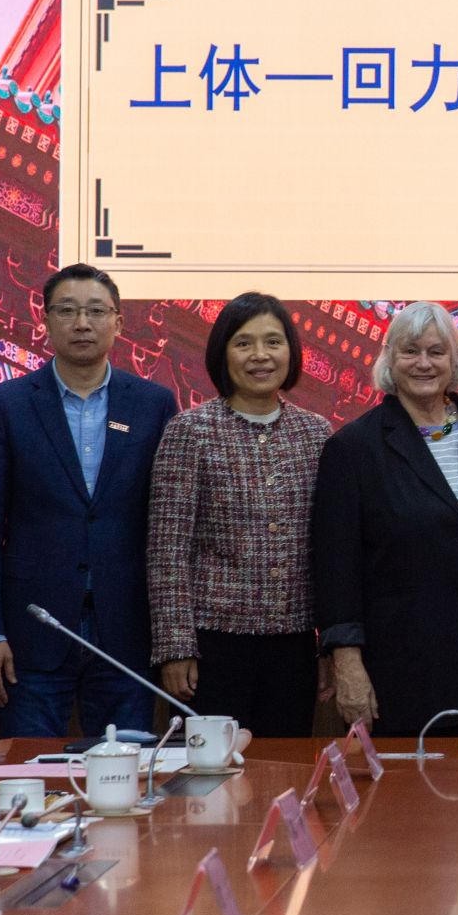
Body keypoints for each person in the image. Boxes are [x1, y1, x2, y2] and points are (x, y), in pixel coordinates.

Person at [0, 264, 178, 739]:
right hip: (31, 630)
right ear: (45, 320)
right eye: (67, 311)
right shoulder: (7, 404)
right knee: (28, 769)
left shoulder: (153, 404)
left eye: (96, 311)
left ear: (118, 322)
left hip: (127, 628)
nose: (82, 323)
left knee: (123, 769)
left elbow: (169, 524)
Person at [311, 301, 458, 739]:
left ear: (455, 360)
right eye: (410, 351)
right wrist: (347, 662)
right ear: (390, 359)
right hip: (397, 675)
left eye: (436, 351)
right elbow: (336, 571)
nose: (424, 363)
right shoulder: (353, 448)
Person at [146, 293, 330, 736]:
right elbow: (167, 549)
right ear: (222, 354)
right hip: (212, 648)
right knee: (209, 772)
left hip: (295, 645)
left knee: (284, 764)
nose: (260, 355)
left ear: (291, 352)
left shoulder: (317, 434)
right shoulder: (190, 431)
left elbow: (330, 549)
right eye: (244, 343)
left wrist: (330, 646)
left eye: (273, 342)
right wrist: (175, 647)